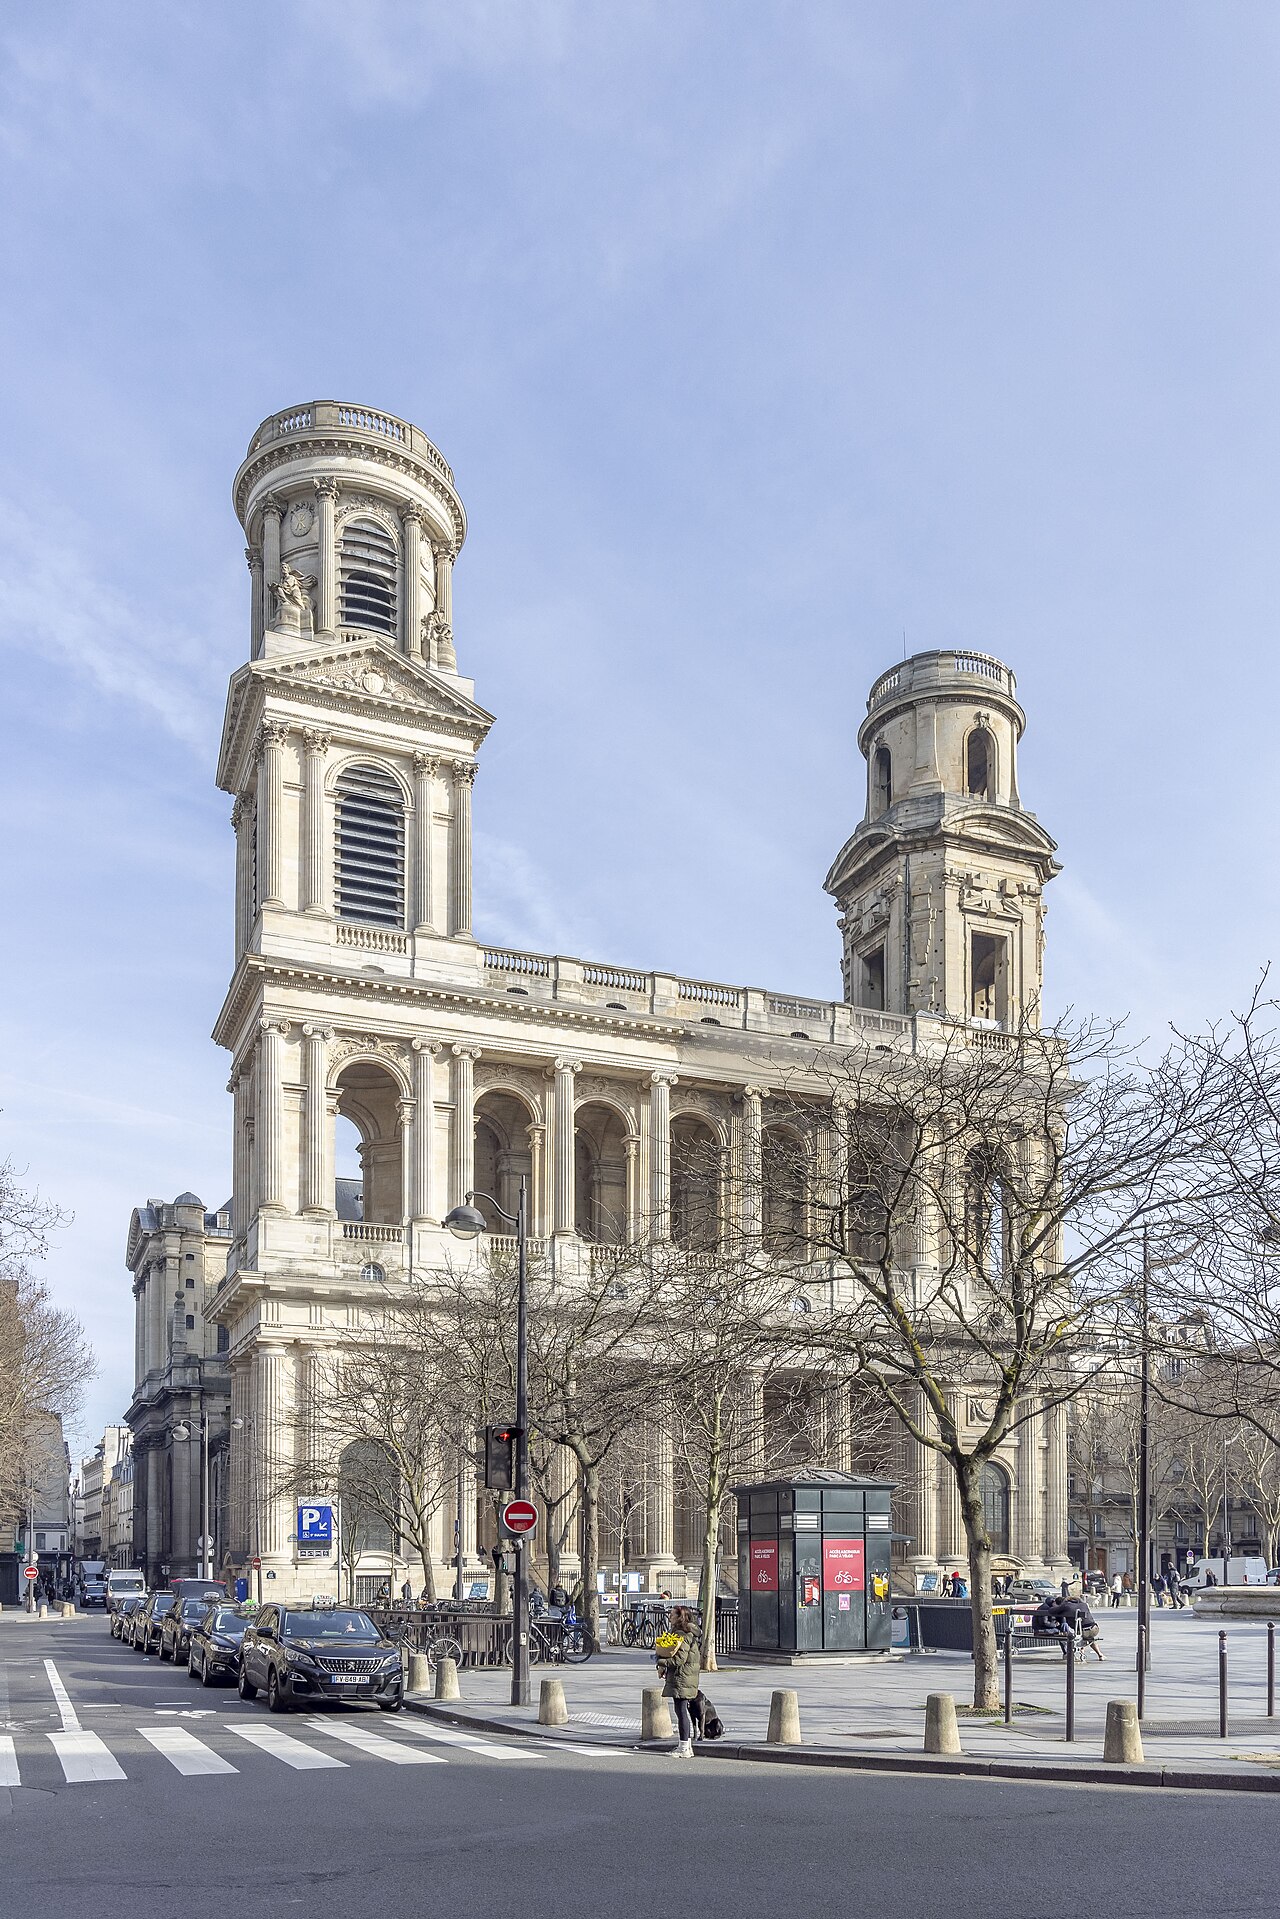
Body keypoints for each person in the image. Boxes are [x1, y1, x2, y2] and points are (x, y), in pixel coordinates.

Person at [655, 1604, 702, 1758]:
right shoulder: (684, 1633)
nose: (669, 1616)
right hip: (684, 1676)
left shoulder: (682, 1634)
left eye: (672, 1614)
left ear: (680, 1617)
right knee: (681, 1711)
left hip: (682, 1677)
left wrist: (662, 1662)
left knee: (681, 1711)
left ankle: (683, 1747)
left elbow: (679, 1659)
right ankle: (687, 1747)